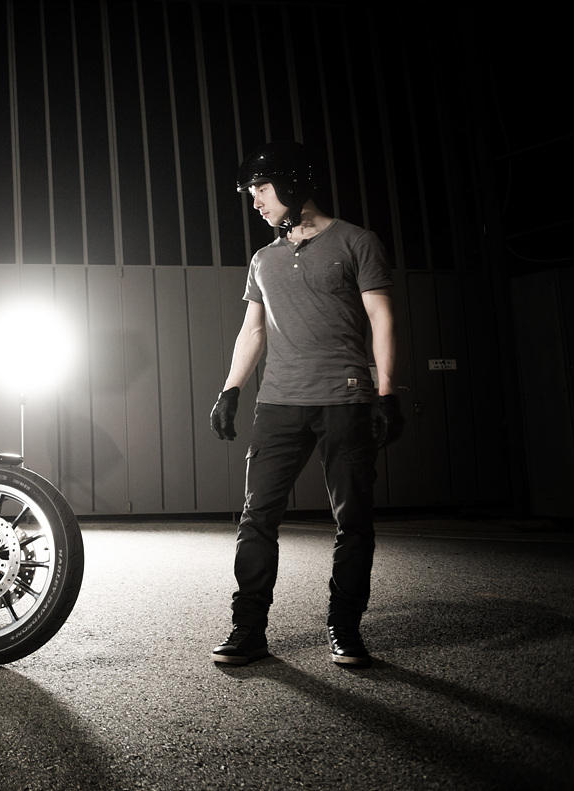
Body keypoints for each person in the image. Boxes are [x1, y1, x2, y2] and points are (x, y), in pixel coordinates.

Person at [210, 141, 404, 668]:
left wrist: (387, 391)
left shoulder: (356, 241)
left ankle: (345, 628)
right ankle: (248, 630)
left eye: (261, 190)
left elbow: (382, 317)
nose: (255, 202)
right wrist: (230, 389)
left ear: (293, 184)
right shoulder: (263, 259)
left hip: (345, 400)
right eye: (251, 193)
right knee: (256, 518)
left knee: (353, 520)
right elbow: (252, 331)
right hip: (279, 403)